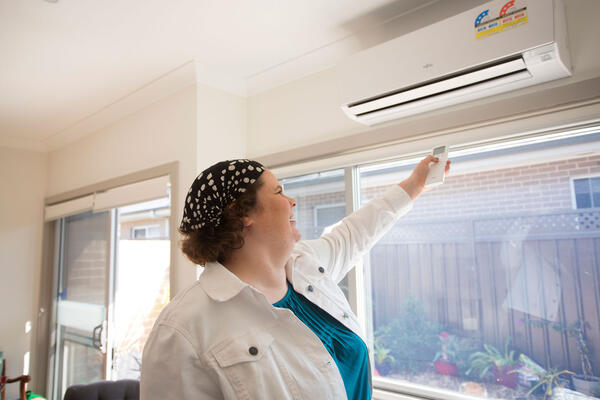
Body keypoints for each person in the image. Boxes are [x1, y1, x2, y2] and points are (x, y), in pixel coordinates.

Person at [140, 156, 450, 399]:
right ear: (242, 215)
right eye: (278, 191)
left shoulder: (305, 265)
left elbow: (354, 233)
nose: (292, 201)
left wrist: (415, 184)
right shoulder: (182, 330)